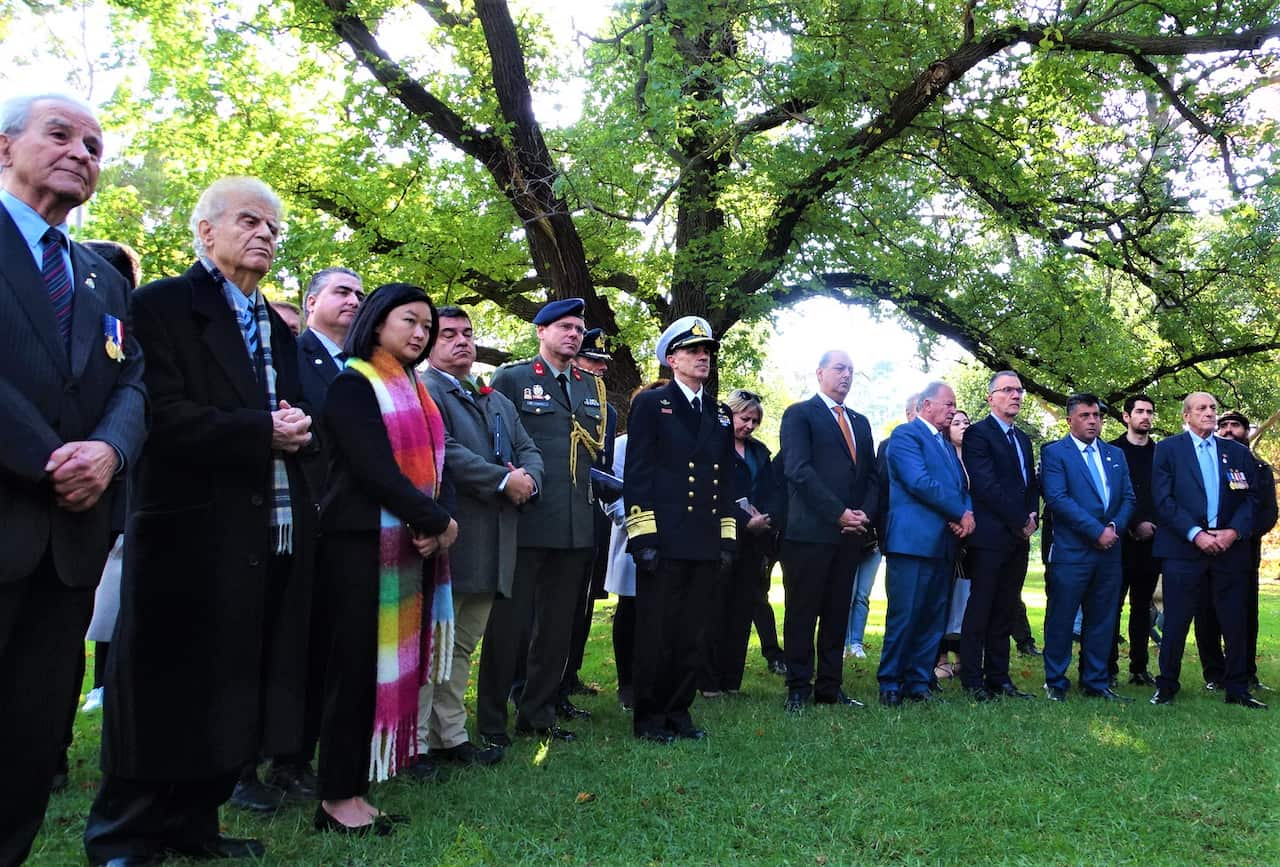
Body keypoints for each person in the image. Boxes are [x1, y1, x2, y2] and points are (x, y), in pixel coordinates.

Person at [86, 177, 316, 865]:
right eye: (250, 221)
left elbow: (295, 411)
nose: (265, 236)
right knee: (161, 688)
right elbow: (161, 412)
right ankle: (124, 836)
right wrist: (262, 430)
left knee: (231, 688)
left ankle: (195, 825)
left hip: (265, 530)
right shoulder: (159, 305)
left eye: (274, 229)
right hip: (187, 529)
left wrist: (300, 427)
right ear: (205, 230)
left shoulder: (276, 325)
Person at [0, 93, 147, 866]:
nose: (81, 153)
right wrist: (54, 457)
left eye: (93, 144)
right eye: (60, 135)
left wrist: (110, 453)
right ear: (4, 147)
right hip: (12, 506)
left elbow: (133, 382)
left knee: (30, 735)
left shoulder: (100, 276)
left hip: (70, 546)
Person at [312, 283, 459, 834]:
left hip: (406, 546)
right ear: (377, 323)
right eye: (410, 322)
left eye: (427, 326)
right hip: (357, 546)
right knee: (352, 672)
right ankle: (336, 798)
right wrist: (436, 521)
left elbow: (437, 472)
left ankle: (353, 789)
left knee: (375, 670)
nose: (420, 334)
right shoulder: (354, 385)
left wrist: (435, 522)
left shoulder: (416, 391)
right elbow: (374, 471)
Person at [257, 267, 366, 806]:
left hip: (351, 525)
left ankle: (317, 749)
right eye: (342, 291)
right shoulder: (294, 356)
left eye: (360, 294)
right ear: (312, 300)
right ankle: (284, 759)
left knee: (330, 642)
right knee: (294, 643)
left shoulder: (366, 367)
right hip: (303, 518)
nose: (353, 300)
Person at [479, 298, 608, 744]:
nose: (573, 335)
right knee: (509, 626)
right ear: (541, 332)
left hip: (576, 524)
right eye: (564, 327)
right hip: (527, 520)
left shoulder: (590, 386)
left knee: (556, 628)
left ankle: (537, 713)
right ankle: (492, 720)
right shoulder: (512, 378)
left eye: (578, 328)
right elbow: (495, 444)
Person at [419, 305, 542, 770]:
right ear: (430, 344)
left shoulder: (496, 399)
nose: (461, 341)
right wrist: (500, 480)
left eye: (467, 333)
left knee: (463, 644)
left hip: (496, 541)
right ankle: (420, 743)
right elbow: (443, 451)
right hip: (455, 535)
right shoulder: (425, 389)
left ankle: (450, 737)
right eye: (447, 334)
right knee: (436, 644)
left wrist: (529, 479)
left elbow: (529, 447)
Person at [623, 316, 736, 742]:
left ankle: (679, 713)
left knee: (693, 632)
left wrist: (727, 538)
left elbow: (727, 481)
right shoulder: (653, 404)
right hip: (664, 539)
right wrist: (644, 537)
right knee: (657, 632)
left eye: (706, 351)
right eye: (693, 351)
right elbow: (638, 473)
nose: (703, 357)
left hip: (704, 539)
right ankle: (649, 718)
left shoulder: (719, 413)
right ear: (672, 360)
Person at [778, 350, 880, 711]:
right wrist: (838, 513)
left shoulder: (860, 422)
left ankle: (830, 687)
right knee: (803, 613)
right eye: (839, 369)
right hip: (808, 534)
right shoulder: (800, 415)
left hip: (850, 535)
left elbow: (870, 476)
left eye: (852, 370)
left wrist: (863, 513)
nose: (847, 375)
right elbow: (798, 470)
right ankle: (797, 687)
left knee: (838, 612)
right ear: (820, 373)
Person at [1150, 392, 1262, 709]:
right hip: (1184, 552)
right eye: (1202, 408)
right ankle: (1167, 687)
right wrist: (1195, 533)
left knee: (1234, 621)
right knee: (1176, 622)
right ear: (1186, 416)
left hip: (1228, 551)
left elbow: (1251, 498)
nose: (1210, 413)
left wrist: (1233, 532)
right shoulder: (1168, 449)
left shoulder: (1235, 453)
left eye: (1213, 407)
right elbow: (1163, 500)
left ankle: (1238, 689)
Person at [877, 382, 973, 706]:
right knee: (905, 616)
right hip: (912, 542)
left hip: (943, 544)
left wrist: (965, 514)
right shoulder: (906, 436)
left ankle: (919, 681)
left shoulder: (946, 445)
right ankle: (891, 681)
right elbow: (918, 481)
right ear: (927, 404)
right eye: (948, 404)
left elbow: (959, 486)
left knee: (933, 617)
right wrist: (959, 512)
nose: (952, 410)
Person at [1039, 394, 1136, 702]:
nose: (1093, 420)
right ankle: (1055, 681)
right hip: (1072, 552)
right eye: (1085, 415)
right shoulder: (1055, 453)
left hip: (1109, 552)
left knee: (1102, 618)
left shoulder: (1115, 454)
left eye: (1096, 415)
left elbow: (1129, 498)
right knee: (1062, 618)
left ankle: (1094, 681)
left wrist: (1113, 529)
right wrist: (1095, 531)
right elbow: (1057, 498)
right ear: (1070, 420)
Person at [959, 371, 1040, 701]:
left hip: (1018, 539)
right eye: (1007, 390)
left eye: (1019, 390)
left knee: (1006, 609)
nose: (1015, 395)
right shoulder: (978, 435)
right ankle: (972, 679)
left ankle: (999, 677)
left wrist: (1033, 515)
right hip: (990, 537)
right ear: (991, 397)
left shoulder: (1022, 439)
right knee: (981, 609)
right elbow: (986, 485)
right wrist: (1020, 518)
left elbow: (1029, 483)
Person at [1197, 411, 1277, 692]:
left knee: (1244, 615)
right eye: (1224, 426)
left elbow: (1267, 513)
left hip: (1242, 555)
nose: (1229, 430)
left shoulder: (1260, 469)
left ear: (1247, 431)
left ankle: (1245, 672)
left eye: (1235, 426)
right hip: (1205, 552)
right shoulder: (1206, 464)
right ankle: (1214, 674)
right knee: (1206, 614)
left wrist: (1238, 535)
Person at [709, 388, 780, 694]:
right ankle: (708, 681)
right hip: (721, 537)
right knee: (716, 609)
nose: (749, 426)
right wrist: (742, 521)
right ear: (731, 414)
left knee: (743, 609)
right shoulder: (714, 446)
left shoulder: (760, 451)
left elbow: (773, 489)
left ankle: (731, 682)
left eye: (754, 421)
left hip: (755, 541)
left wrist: (766, 518)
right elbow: (713, 492)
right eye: (744, 418)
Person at [560, 327, 617, 705]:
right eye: (590, 360)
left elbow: (604, 462)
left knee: (583, 600)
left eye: (602, 363)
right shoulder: (564, 399)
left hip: (592, 511)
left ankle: (571, 673)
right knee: (553, 603)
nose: (597, 368)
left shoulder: (608, 411)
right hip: (557, 507)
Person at [603, 380, 668, 710]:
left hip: (673, 543)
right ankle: (627, 682)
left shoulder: (675, 444)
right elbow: (611, 494)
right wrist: (637, 525)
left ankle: (660, 679)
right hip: (634, 538)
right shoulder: (622, 445)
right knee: (631, 611)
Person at [847, 392, 918, 660]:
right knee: (849, 591)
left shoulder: (940, 445)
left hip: (875, 539)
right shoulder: (888, 447)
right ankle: (844, 641)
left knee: (863, 594)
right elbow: (882, 489)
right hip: (864, 531)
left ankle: (856, 642)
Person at [1108, 394, 1161, 686]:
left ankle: (1139, 668)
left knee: (1143, 607)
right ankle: (1108, 667)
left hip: (1153, 541)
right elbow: (1110, 495)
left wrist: (1152, 525)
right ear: (1126, 417)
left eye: (1149, 412)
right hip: (1119, 539)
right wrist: (1132, 524)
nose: (1145, 417)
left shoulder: (1162, 454)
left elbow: (1167, 494)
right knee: (1112, 604)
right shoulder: (1111, 451)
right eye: (1139, 411)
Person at [935, 408, 971, 680]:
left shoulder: (975, 457)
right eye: (956, 422)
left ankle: (962, 656)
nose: (962, 426)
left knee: (966, 599)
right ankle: (940, 657)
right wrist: (956, 519)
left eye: (966, 422)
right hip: (947, 533)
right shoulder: (942, 454)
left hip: (973, 537)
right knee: (944, 597)